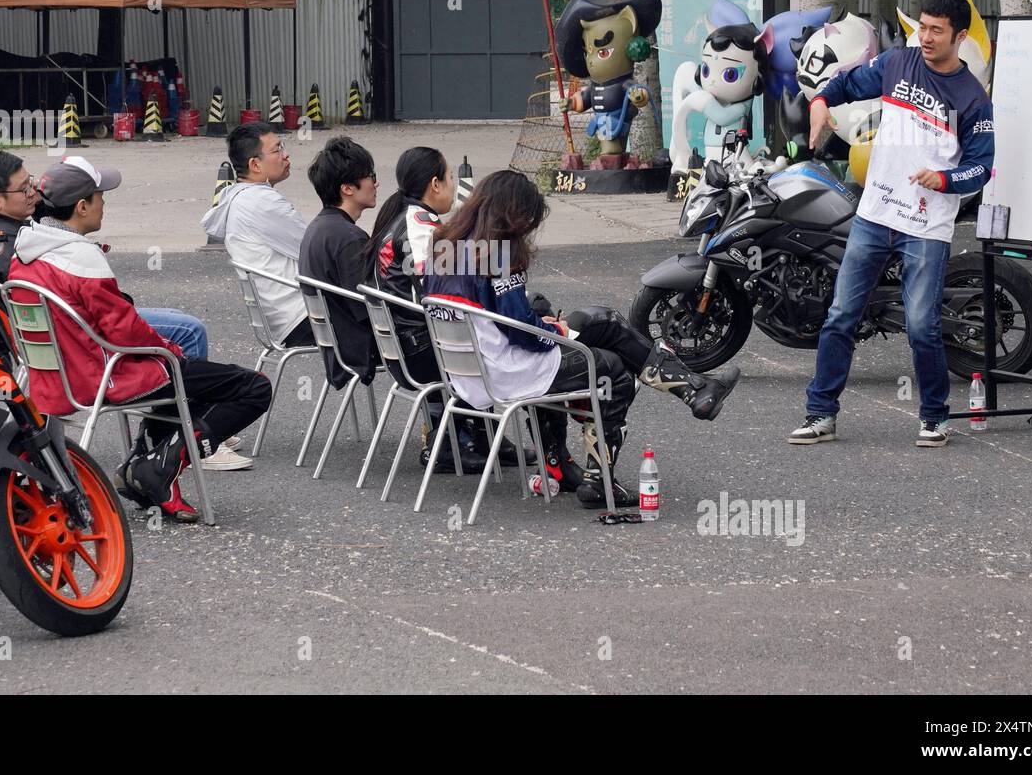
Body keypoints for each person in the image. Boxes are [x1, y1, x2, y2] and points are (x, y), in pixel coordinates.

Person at [424, 170, 740, 508]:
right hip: (507, 371)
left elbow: (502, 320)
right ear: (513, 215)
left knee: (598, 325)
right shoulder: (495, 255)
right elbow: (524, 335)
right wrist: (555, 330)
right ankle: (601, 479)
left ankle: (559, 466)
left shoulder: (446, 246)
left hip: (467, 371)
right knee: (614, 369)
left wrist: (543, 325)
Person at [9, 157, 271, 521]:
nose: (105, 203)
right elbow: (126, 331)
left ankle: (143, 466)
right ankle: (159, 466)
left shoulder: (26, 252)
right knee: (254, 387)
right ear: (82, 206)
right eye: (100, 197)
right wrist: (170, 351)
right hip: (104, 376)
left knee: (181, 371)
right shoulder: (79, 257)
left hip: (57, 375)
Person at [790, 0, 995, 449]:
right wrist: (820, 103)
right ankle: (821, 413)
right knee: (841, 315)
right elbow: (845, 84)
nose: (924, 36)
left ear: (959, 37)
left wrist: (945, 180)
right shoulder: (897, 63)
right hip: (875, 213)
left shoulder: (973, 99)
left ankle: (935, 416)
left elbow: (982, 167)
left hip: (926, 225)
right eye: (921, 26)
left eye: (935, 30)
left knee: (922, 326)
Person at [364, 146, 535, 471]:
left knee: (479, 328)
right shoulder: (422, 230)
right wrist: (507, 258)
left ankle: (486, 439)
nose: (455, 185)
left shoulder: (406, 220)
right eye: (451, 177)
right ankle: (460, 444)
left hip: (403, 346)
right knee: (490, 335)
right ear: (435, 184)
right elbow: (442, 292)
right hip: (420, 352)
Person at [0, 148, 210, 361]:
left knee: (174, 316)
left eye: (31, 181)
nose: (33, 191)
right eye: (24, 189)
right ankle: (182, 402)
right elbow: (83, 302)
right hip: (73, 336)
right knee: (189, 330)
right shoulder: (8, 246)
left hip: (63, 328)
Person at [202, 121, 313, 348]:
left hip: (283, 317)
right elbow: (316, 252)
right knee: (392, 325)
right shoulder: (262, 202)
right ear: (255, 164)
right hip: (303, 317)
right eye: (277, 150)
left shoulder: (240, 197)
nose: (286, 155)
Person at [299, 136, 381, 388]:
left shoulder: (319, 227)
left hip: (335, 343)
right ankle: (451, 424)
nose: (376, 183)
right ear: (347, 188)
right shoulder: (349, 238)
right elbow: (370, 309)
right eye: (370, 175)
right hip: (356, 347)